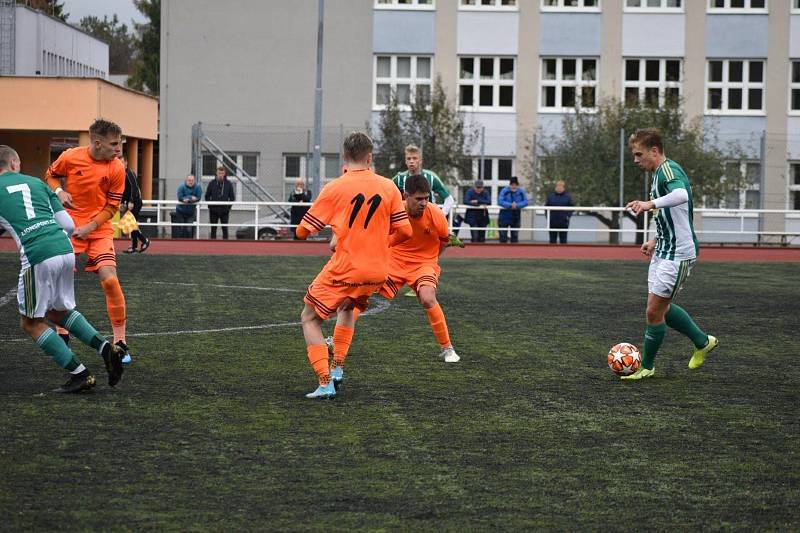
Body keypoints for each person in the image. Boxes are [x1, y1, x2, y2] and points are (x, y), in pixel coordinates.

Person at [295, 132, 412, 399]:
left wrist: (337, 233)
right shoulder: (388, 187)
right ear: (370, 157)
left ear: (345, 158)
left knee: (309, 318)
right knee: (348, 307)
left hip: (347, 267)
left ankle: (325, 382)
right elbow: (405, 232)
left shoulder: (336, 187)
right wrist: (379, 242)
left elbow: (303, 232)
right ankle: (337, 369)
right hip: (377, 271)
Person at [0, 145, 125, 392]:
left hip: (38, 254)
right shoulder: (37, 183)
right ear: (14, 164)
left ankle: (80, 374)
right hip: (64, 248)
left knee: (30, 323)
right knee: (58, 312)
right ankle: (106, 349)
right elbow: (67, 224)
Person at [330, 174, 460, 374]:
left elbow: (444, 241)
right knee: (358, 297)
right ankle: (336, 339)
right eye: (419, 199)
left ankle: (447, 348)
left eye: (426, 198)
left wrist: (431, 261)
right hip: (393, 261)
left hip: (423, 264)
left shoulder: (436, 215)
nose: (424, 203)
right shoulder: (391, 212)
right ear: (405, 196)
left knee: (427, 298)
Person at [622, 128, 718, 381]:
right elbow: (673, 212)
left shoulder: (668, 170)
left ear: (654, 151)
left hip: (679, 252)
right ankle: (702, 341)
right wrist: (655, 239)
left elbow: (681, 195)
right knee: (658, 308)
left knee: (654, 310)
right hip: (665, 247)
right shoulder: (656, 174)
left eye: (638, 154)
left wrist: (648, 203)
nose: (635, 160)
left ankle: (647, 367)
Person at [46, 119, 134, 364]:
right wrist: (59, 192)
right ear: (97, 143)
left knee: (110, 279)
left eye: (120, 144)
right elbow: (51, 176)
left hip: (99, 228)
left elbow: (112, 206)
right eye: (114, 144)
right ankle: (62, 333)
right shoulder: (70, 157)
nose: (119, 149)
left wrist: (90, 227)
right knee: (60, 278)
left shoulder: (117, 168)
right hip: (69, 227)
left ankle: (120, 342)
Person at [391, 144, 455, 216]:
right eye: (409, 158)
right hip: (406, 220)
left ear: (420, 161)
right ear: (405, 161)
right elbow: (387, 196)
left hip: (427, 221)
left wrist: (441, 216)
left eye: (414, 158)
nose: (411, 161)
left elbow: (449, 199)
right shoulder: (399, 178)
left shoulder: (430, 177)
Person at [120, 155, 149, 253]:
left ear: (126, 163)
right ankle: (134, 246)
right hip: (129, 202)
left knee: (131, 224)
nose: (120, 164)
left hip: (135, 202)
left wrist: (131, 201)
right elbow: (124, 191)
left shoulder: (129, 173)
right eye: (118, 163)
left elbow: (134, 187)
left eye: (122, 162)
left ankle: (144, 240)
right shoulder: (121, 174)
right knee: (131, 224)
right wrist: (123, 202)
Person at [204, 165, 235, 239]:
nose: (221, 175)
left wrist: (228, 208)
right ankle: (212, 245)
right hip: (213, 210)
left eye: (222, 173)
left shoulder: (228, 184)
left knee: (225, 229)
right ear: (216, 173)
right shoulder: (212, 183)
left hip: (224, 210)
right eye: (219, 173)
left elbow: (232, 197)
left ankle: (225, 245)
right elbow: (207, 196)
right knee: (213, 229)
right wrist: (211, 206)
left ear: (224, 174)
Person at [497, 176, 528, 243]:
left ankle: (514, 252)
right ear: (510, 185)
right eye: (512, 185)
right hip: (504, 216)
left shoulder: (521, 191)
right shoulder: (504, 191)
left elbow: (526, 201)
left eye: (515, 185)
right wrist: (510, 205)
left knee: (514, 236)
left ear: (517, 185)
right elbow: (500, 201)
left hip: (515, 216)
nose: (514, 186)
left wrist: (517, 205)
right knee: (503, 237)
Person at [545, 180, 575, 244]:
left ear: (563, 188)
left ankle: (564, 254)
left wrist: (567, 216)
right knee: (552, 241)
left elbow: (572, 208)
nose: (559, 188)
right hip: (552, 222)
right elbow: (546, 208)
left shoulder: (568, 197)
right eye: (558, 186)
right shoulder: (551, 196)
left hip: (564, 222)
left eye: (561, 186)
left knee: (563, 241)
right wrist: (548, 218)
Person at [175, 174, 202, 238]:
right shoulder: (181, 187)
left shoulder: (198, 187)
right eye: (189, 180)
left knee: (189, 230)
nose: (191, 182)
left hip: (191, 212)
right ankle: (180, 245)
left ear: (195, 181)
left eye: (192, 180)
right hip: (180, 211)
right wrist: (191, 197)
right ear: (186, 180)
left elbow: (198, 197)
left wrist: (187, 199)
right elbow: (180, 197)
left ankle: (189, 245)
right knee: (181, 229)